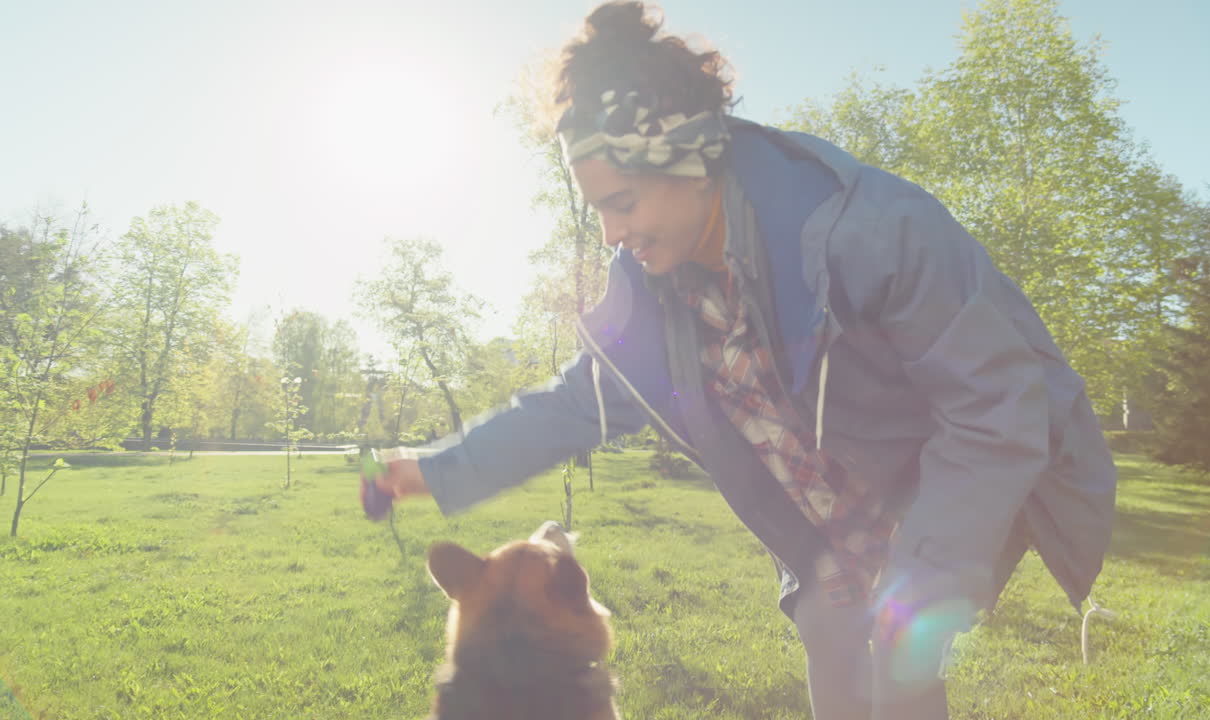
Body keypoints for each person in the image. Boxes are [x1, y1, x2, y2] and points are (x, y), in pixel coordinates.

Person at [374, 2, 1117, 718]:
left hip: (953, 476)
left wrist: (921, 575)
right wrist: (435, 470)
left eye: (623, 202)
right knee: (831, 633)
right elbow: (574, 407)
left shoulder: (868, 231)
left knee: (902, 647)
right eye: (599, 207)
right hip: (837, 520)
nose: (609, 233)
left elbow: (999, 403)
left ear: (688, 160)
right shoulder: (653, 296)